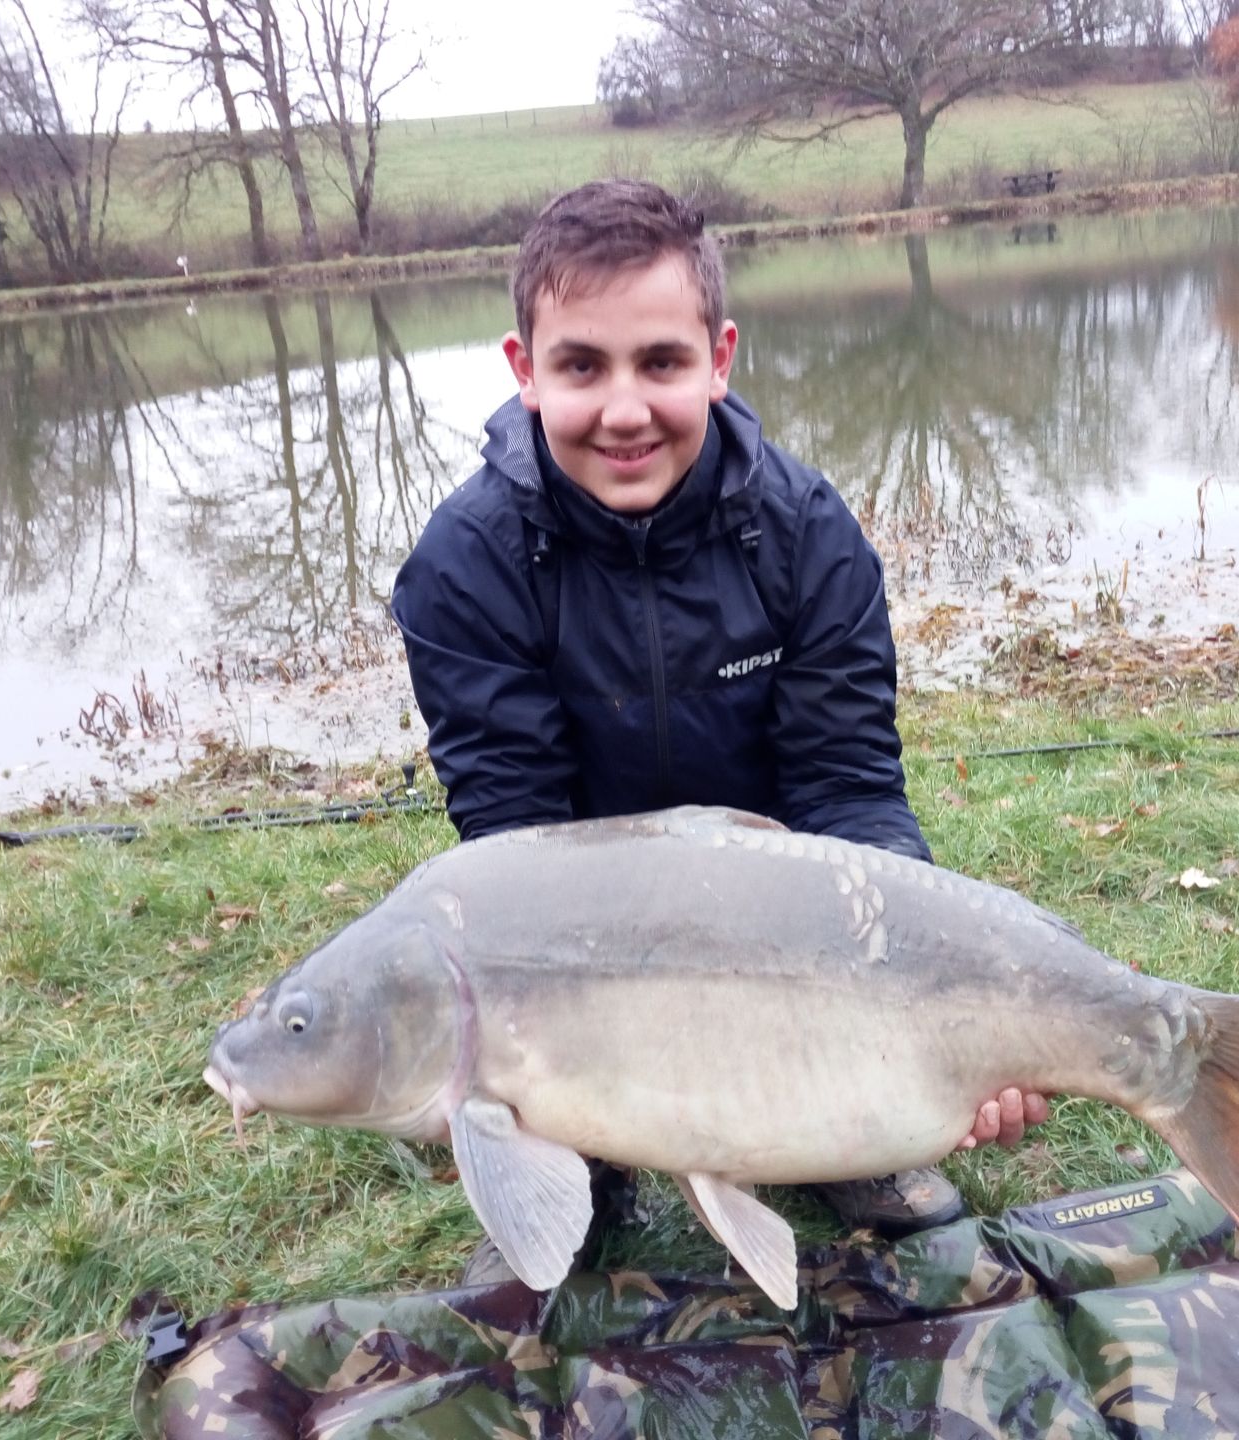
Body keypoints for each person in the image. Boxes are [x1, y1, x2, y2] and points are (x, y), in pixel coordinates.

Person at [390, 179, 1043, 1286]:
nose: (625, 409)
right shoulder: (463, 567)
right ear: (523, 369)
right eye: (582, 367)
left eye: (661, 363)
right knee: (555, 1171)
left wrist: (938, 996)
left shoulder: (808, 534)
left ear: (720, 357)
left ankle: (850, 1127)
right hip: (581, 950)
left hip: (795, 928)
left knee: (889, 1032)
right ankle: (590, 1151)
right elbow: (513, 840)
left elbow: (847, 788)